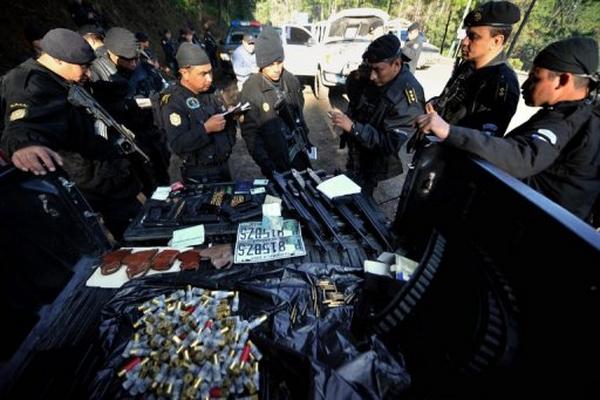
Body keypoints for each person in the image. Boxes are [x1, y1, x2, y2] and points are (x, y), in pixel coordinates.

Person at [415, 37, 600, 223]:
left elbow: (522, 155)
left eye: (535, 78)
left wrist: (448, 131)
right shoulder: (585, 115)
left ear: (563, 80)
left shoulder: (567, 121)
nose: (525, 86)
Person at [0, 28, 142, 239]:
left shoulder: (64, 77)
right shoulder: (28, 82)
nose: (88, 73)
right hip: (82, 181)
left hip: (106, 173)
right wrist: (26, 145)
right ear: (57, 60)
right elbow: (23, 124)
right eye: (83, 67)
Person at [330, 33, 425, 195]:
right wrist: (357, 76)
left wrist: (353, 127)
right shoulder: (374, 74)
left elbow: (388, 144)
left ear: (396, 64)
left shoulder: (407, 95)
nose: (372, 76)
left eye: (378, 70)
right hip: (357, 152)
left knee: (360, 198)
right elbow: (355, 96)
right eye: (371, 69)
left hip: (372, 162)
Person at [430, 1, 521, 137]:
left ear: (496, 41)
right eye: (467, 34)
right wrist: (434, 105)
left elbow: (483, 141)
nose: (465, 41)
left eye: (473, 37)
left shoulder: (502, 83)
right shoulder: (469, 65)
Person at [240, 26, 313, 179]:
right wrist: (267, 165)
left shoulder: (291, 81)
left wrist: (305, 139)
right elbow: (251, 134)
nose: (276, 69)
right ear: (261, 63)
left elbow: (299, 112)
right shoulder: (250, 89)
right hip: (275, 163)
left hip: (300, 156)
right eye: (270, 64)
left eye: (279, 62)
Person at [160, 43, 236, 183]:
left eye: (210, 72)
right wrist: (205, 129)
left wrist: (231, 116)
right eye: (203, 74)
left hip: (223, 165)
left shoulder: (211, 91)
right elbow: (178, 144)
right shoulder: (174, 101)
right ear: (185, 73)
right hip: (200, 174)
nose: (209, 79)